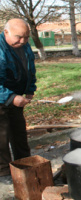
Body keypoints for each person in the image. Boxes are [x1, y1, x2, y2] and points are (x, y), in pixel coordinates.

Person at [0, 18, 37, 176]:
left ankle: (24, 164)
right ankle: (3, 172)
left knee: (19, 132)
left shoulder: (24, 45)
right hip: (2, 98)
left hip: (15, 97)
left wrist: (29, 88)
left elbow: (30, 68)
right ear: (6, 32)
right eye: (18, 37)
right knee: (1, 136)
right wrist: (11, 97)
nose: (23, 41)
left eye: (26, 37)